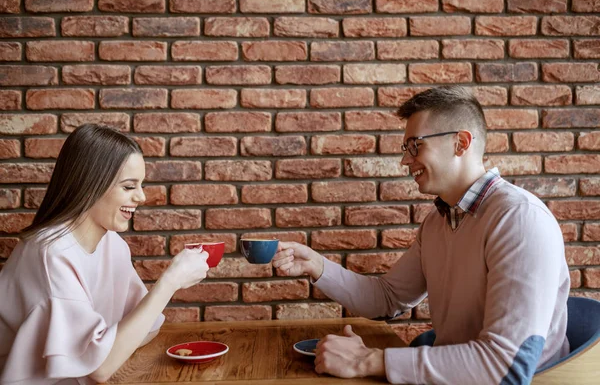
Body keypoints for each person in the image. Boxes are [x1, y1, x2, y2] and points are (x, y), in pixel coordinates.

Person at [273, 86, 570, 384]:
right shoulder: (438, 222)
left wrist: (368, 360)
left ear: (460, 142)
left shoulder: (519, 219)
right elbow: (388, 298)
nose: (405, 161)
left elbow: (506, 367)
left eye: (415, 145)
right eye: (405, 148)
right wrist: (317, 265)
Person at [0, 124, 210, 384]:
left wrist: (110, 347)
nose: (142, 197)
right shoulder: (51, 253)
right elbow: (100, 368)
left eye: (141, 185)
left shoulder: (114, 245)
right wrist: (170, 282)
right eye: (129, 186)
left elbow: (146, 328)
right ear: (90, 185)